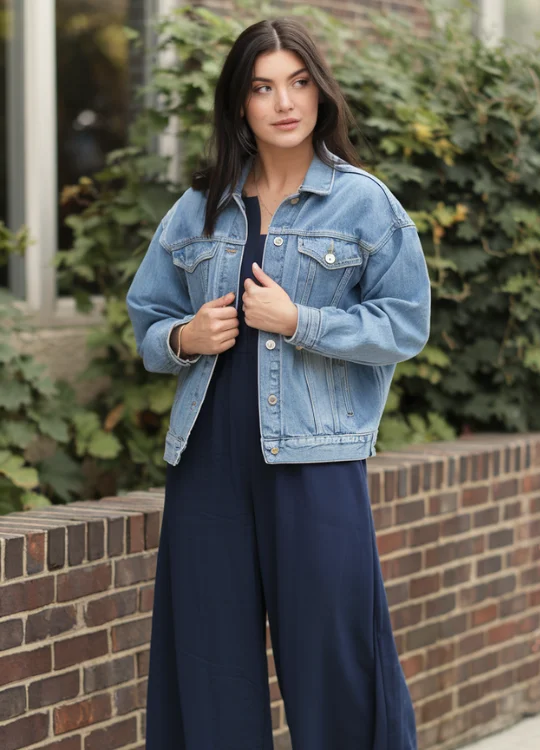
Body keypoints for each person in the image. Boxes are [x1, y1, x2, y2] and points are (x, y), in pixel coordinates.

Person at [126, 16, 430, 750]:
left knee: (335, 661)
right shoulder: (197, 208)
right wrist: (183, 337)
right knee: (207, 664)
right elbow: (149, 322)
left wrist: (302, 321)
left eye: (297, 83)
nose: (282, 102)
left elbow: (404, 324)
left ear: (320, 94)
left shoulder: (363, 204)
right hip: (207, 465)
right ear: (239, 105)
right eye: (262, 88)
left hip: (316, 465)